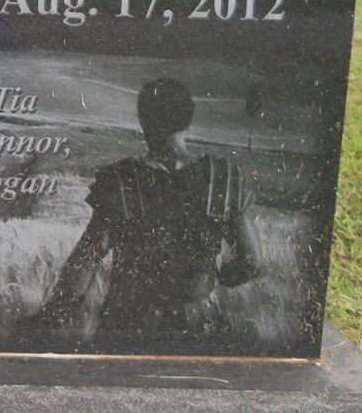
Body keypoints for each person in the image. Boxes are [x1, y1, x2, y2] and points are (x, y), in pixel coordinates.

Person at [42, 77, 261, 340]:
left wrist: (55, 313)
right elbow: (251, 261)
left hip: (128, 323)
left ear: (143, 122)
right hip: (198, 323)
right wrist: (212, 279)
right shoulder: (222, 177)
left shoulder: (122, 180)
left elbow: (87, 260)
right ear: (189, 121)